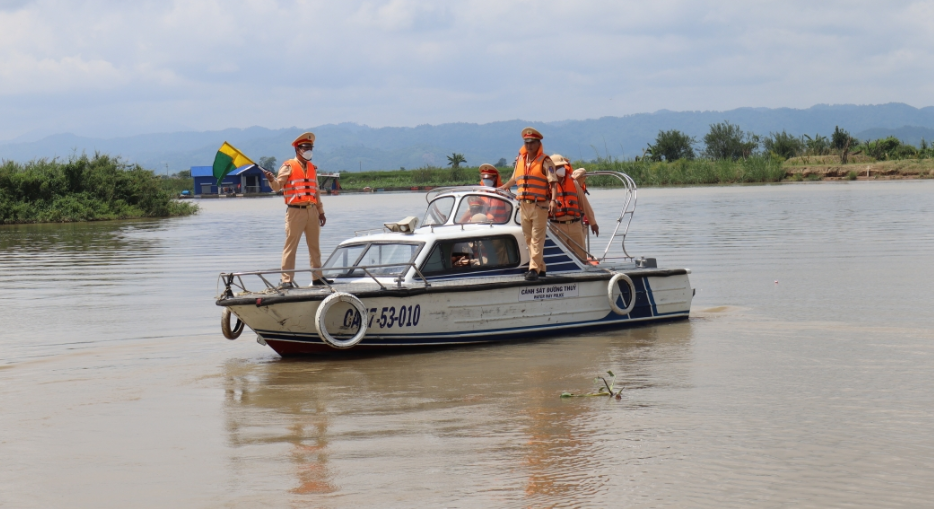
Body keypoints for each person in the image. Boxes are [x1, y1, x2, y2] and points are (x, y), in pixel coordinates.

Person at [262, 132, 330, 288]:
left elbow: (316, 191)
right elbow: (278, 186)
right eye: (306, 147)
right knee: (291, 246)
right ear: (298, 149)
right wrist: (271, 179)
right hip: (295, 211)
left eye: (310, 147)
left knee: (314, 246)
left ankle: (317, 277)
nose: (309, 150)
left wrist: (321, 212)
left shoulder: (312, 168)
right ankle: (286, 280)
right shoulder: (288, 166)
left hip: (311, 210)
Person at [499, 127, 558, 281]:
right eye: (527, 142)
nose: (529, 145)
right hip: (523, 205)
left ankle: (533, 269)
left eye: (532, 142)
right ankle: (541, 267)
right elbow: (514, 179)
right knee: (528, 238)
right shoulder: (520, 160)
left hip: (540, 205)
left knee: (537, 238)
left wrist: (553, 200)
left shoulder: (545, 161)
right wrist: (504, 187)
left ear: (538, 144)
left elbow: (553, 183)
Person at [572, 168, 599, 261]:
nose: (584, 179)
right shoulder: (574, 185)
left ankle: (580, 259)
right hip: (574, 219)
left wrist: (591, 222)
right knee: (578, 244)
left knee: (580, 243)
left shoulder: (578, 186)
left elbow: (585, 206)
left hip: (580, 219)